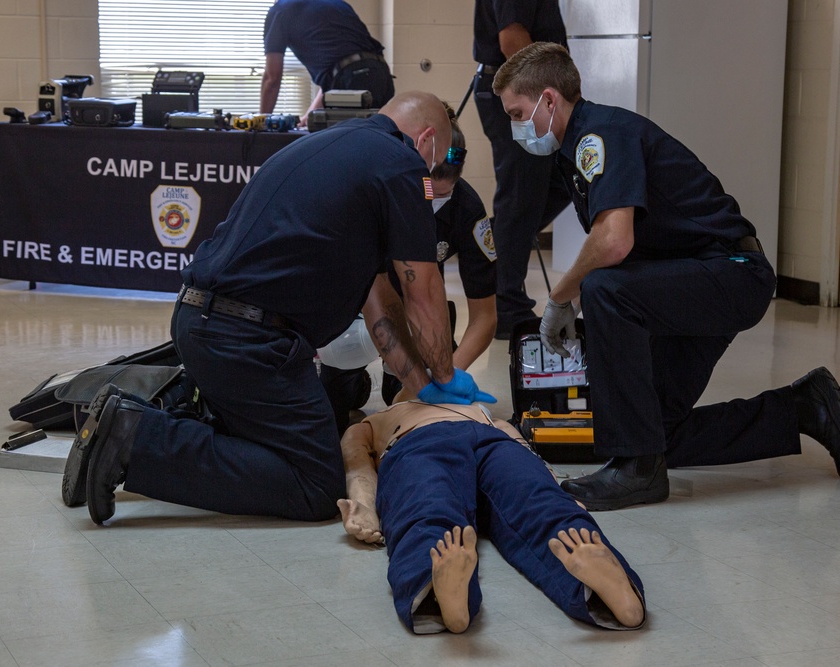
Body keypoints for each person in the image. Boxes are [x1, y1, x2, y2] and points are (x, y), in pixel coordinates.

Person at [61, 91, 495, 525]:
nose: (431, 173)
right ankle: (136, 437)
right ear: (426, 141)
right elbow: (423, 292)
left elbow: (380, 306)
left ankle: (165, 418)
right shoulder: (402, 165)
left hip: (202, 323)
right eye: (435, 161)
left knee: (273, 446)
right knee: (319, 484)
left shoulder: (334, 146)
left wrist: (422, 388)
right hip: (251, 342)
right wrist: (445, 376)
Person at [490, 42, 840, 510]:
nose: (515, 127)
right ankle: (804, 409)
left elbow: (614, 241)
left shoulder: (600, 135)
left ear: (548, 99)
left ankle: (635, 470)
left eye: (518, 112)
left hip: (731, 272)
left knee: (603, 289)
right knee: (656, 429)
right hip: (696, 275)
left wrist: (560, 297)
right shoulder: (577, 149)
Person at [337, 400, 646, 633]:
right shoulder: (373, 420)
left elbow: (527, 452)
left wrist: (556, 488)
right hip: (416, 443)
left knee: (542, 502)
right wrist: (363, 506)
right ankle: (443, 595)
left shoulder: (479, 409)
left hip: (492, 441)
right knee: (428, 509)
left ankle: (616, 595)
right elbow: (357, 465)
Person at [320, 103, 498, 425]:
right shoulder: (380, 193)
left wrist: (448, 376)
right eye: (431, 194)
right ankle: (355, 382)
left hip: (420, 314)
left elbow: (485, 316)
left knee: (412, 401)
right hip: (358, 310)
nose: (435, 205)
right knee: (334, 405)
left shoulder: (467, 210)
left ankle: (392, 379)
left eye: (446, 195)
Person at [472, 0, 572, 339]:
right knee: (520, 199)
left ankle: (482, 244)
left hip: (524, 88)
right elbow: (512, 38)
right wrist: (546, 94)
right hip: (521, 90)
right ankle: (506, 305)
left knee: (555, 185)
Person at [260, 0, 395, 124]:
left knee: (344, 142)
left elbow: (272, 78)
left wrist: (261, 124)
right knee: (375, 138)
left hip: (354, 79)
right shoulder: (335, 4)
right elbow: (337, 73)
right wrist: (308, 117)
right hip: (381, 74)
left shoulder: (279, 11)